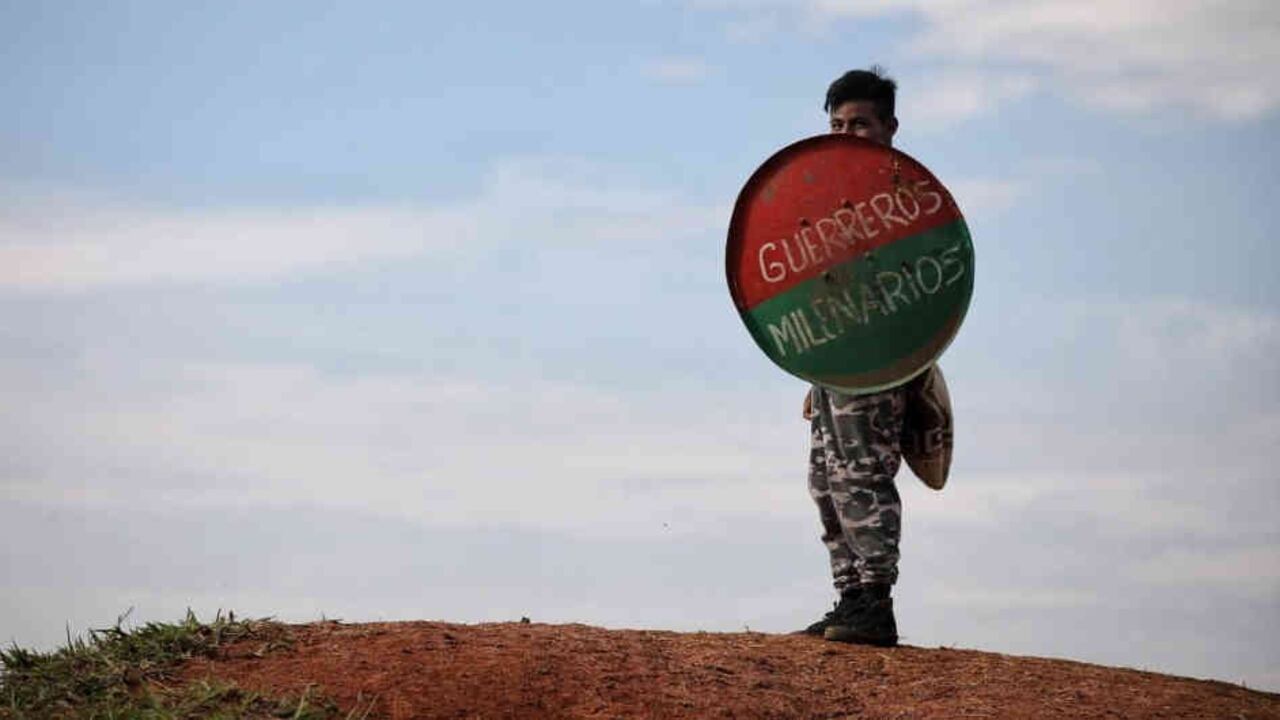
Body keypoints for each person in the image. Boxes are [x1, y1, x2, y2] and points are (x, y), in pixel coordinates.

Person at [798, 67, 915, 647]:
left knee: (863, 476)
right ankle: (850, 598)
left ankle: (877, 603)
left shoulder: (906, 198)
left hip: (882, 359)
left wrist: (910, 367)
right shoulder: (829, 197)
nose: (847, 132)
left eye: (860, 124)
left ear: (889, 127)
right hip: (836, 363)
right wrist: (814, 369)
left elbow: (926, 288)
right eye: (837, 124)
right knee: (825, 479)